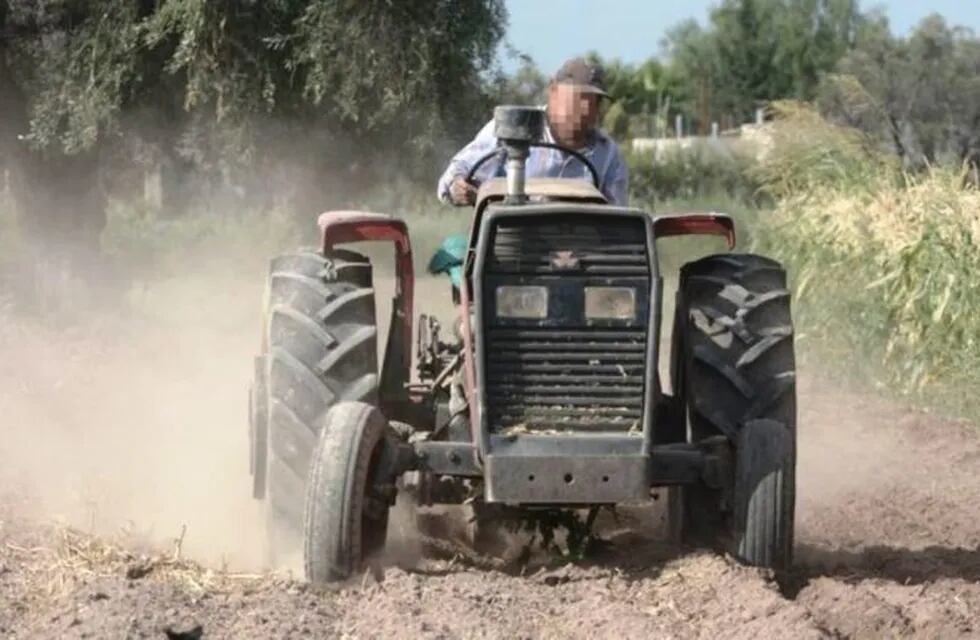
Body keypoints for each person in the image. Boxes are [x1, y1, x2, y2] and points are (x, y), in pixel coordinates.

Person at [436, 57, 629, 207]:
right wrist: (458, 185)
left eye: (595, 101)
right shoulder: (512, 128)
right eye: (580, 98)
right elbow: (454, 176)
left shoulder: (608, 153)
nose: (588, 109)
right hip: (508, 246)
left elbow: (617, 217)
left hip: (579, 251)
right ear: (554, 92)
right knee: (453, 252)